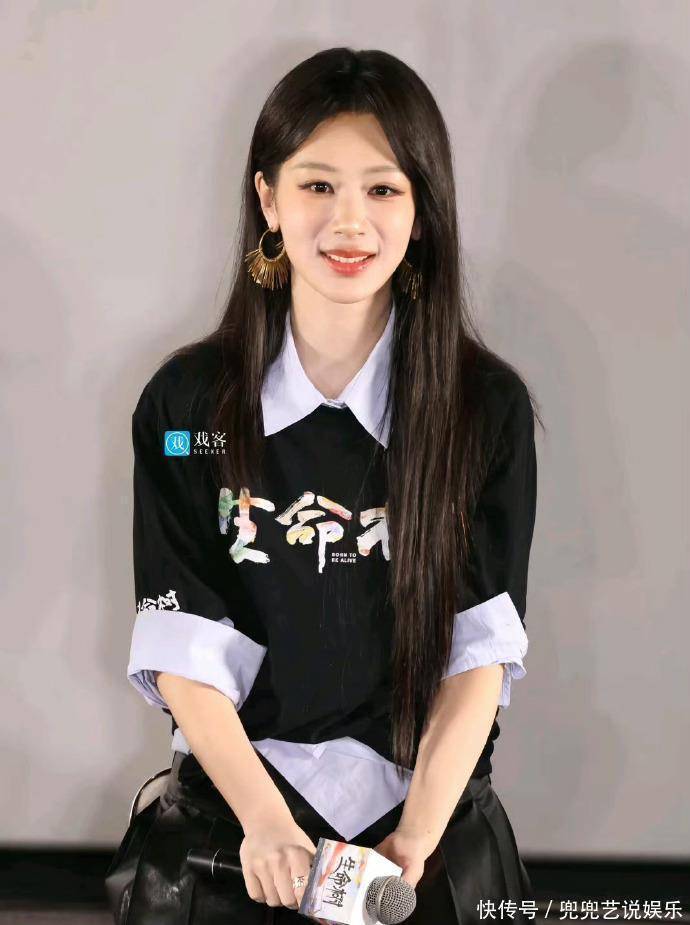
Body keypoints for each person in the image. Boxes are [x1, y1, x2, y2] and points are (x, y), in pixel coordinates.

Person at [116, 46, 541, 925]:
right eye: (318, 185)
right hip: (238, 831)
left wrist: (416, 838)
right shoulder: (189, 410)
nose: (350, 221)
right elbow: (183, 639)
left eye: (383, 189)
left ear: (422, 211)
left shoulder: (481, 409)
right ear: (268, 199)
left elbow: (480, 652)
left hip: (426, 835)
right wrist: (266, 823)